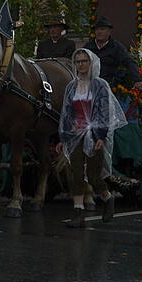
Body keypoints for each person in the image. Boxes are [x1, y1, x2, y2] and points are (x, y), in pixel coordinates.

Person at [57, 48, 126, 228]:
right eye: (78, 61)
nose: (81, 65)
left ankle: (107, 198)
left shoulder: (100, 85)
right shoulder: (71, 86)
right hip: (75, 136)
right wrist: (63, 137)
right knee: (76, 175)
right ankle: (78, 212)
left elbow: (104, 110)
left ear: (91, 62)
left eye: (84, 61)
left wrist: (100, 136)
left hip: (94, 135)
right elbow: (66, 112)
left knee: (94, 177)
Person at [83, 17, 142, 91]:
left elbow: (129, 62)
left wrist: (137, 80)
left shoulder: (116, 47)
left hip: (109, 86)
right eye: (97, 29)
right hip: (88, 85)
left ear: (109, 31)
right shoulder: (88, 47)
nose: (99, 32)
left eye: (102, 29)